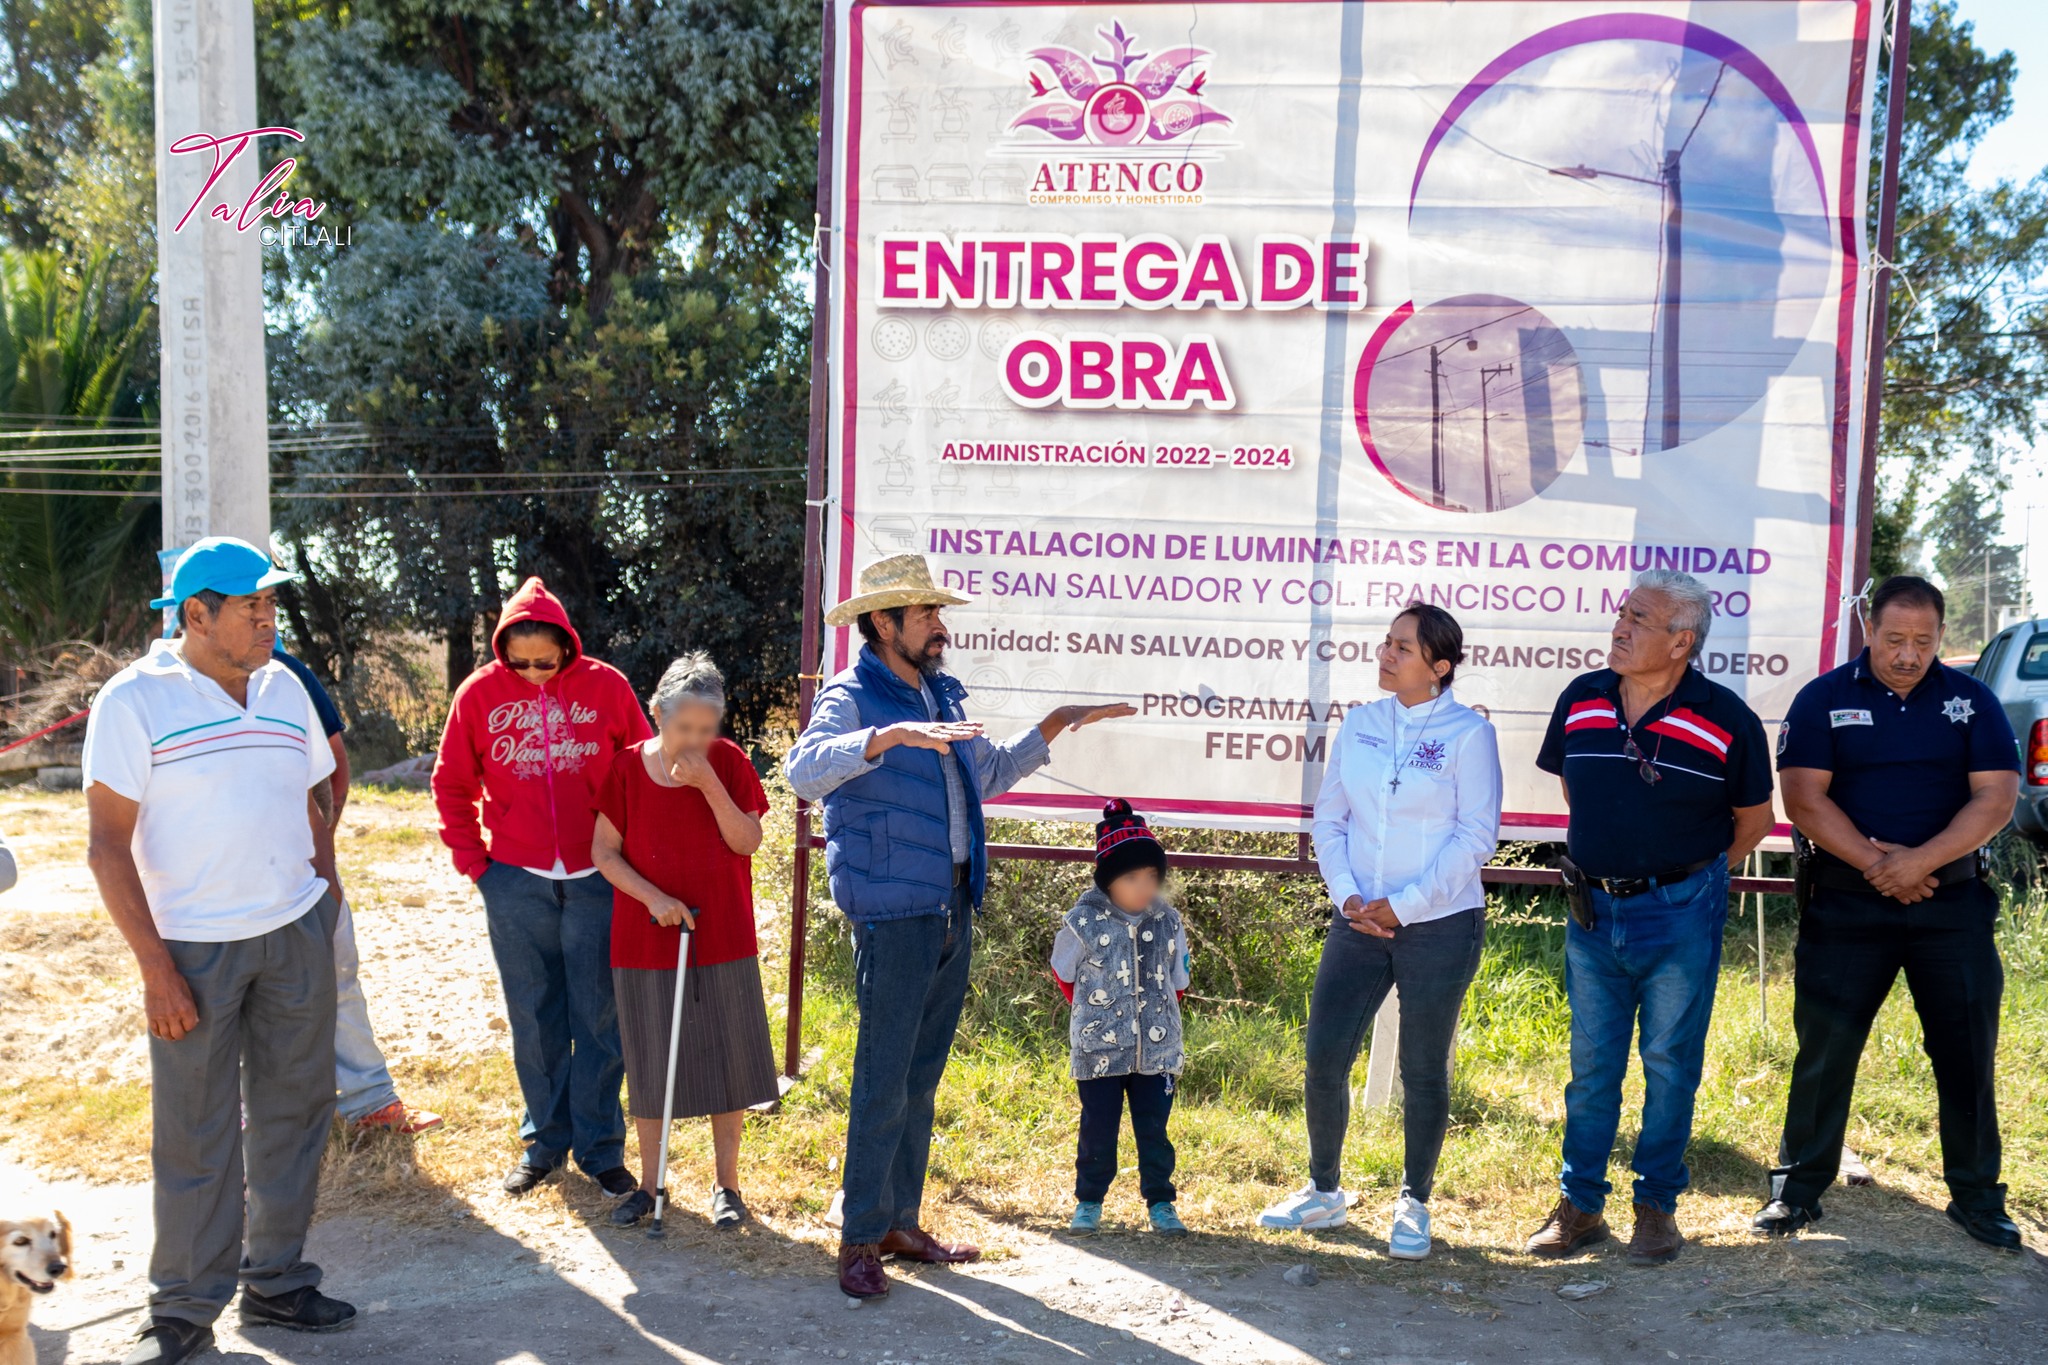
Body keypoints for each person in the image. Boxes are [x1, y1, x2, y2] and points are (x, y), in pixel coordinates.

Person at [785, 552, 1133, 1301]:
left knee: (919, 1074)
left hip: (950, 904)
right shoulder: (852, 695)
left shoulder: (942, 693)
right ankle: (857, 1239)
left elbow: (986, 775)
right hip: (892, 913)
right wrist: (886, 737)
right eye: (927, 614)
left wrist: (1056, 725)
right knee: (883, 1077)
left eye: (938, 613)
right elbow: (803, 771)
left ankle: (898, 1222)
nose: (941, 626)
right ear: (884, 624)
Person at [82, 537, 357, 1365]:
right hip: (194, 950)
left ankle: (275, 1279)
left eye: (272, 604)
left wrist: (324, 884)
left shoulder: (285, 687)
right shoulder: (134, 701)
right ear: (194, 614)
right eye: (252, 606)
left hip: (293, 934)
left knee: (295, 1113)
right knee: (196, 1131)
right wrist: (155, 969)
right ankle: (182, 1309)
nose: (269, 618)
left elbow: (319, 787)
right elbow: (105, 846)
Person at [1753, 576, 2023, 1248]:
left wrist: (1921, 861)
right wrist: (1885, 868)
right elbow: (1804, 799)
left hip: (1951, 905)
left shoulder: (1973, 701)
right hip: (1847, 904)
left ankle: (1977, 1195)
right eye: (1895, 638)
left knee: (1966, 1051)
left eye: (1924, 641)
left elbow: (1995, 799)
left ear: (1940, 637)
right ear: (1868, 629)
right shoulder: (1824, 699)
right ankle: (1797, 1190)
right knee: (1826, 1046)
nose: (1908, 653)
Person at [1525, 569, 1772, 1266]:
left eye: (1639, 617)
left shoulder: (1727, 718)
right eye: (1622, 612)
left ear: (1681, 640)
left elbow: (1755, 820)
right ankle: (1580, 1206)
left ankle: (1656, 1206)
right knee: (1592, 1065)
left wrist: (1683, 875)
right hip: (1593, 911)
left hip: (1681, 913)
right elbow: (1579, 787)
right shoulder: (1581, 699)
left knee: (1669, 1064)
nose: (1620, 625)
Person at [1260, 604, 1501, 1260]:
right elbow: (1329, 820)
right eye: (1387, 642)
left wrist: (1408, 903)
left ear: (1440, 666)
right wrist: (1351, 896)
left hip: (1440, 925)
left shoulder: (1468, 734)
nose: (1385, 653)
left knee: (1422, 1066)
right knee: (1323, 1056)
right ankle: (1324, 1191)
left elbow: (1476, 834)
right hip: (1358, 920)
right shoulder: (1361, 724)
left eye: (1402, 646)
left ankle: (1414, 1200)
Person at [432, 576, 650, 1198]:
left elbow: (637, 768)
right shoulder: (477, 695)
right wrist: (477, 867)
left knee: (600, 1020)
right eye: (518, 662)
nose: (531, 673)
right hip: (516, 884)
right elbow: (451, 784)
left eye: (544, 663)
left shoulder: (607, 686)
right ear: (502, 650)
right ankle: (546, 1144)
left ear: (567, 647)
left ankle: (601, 1148)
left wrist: (632, 858)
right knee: (534, 1019)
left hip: (598, 882)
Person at [591, 652, 777, 1230]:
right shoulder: (624, 769)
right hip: (646, 935)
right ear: (656, 715)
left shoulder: (729, 762)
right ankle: (649, 1186)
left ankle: (727, 1186)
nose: (695, 739)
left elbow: (747, 841)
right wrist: (653, 898)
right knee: (650, 1060)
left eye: (705, 729)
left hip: (722, 930)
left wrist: (709, 784)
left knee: (730, 1056)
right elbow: (603, 853)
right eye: (683, 728)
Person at [271, 646, 441, 1136]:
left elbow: (334, 768)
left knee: (337, 978)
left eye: (266, 603)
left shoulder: (287, 674)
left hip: (304, 876)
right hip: (215, 896)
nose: (263, 618)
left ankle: (369, 1101)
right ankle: (265, 1119)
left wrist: (319, 854)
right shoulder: (154, 691)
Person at [1051, 800, 1191, 1238]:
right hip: (1098, 1052)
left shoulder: (1168, 920)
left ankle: (1161, 1203)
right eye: (1133, 877)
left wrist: (1157, 1021)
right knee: (1098, 1130)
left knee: (1154, 1128)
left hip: (1156, 1051)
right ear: (1109, 879)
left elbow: (1179, 980)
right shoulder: (1081, 922)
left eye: (1152, 877)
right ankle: (1089, 1203)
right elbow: (1063, 973)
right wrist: (1098, 1015)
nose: (1145, 886)